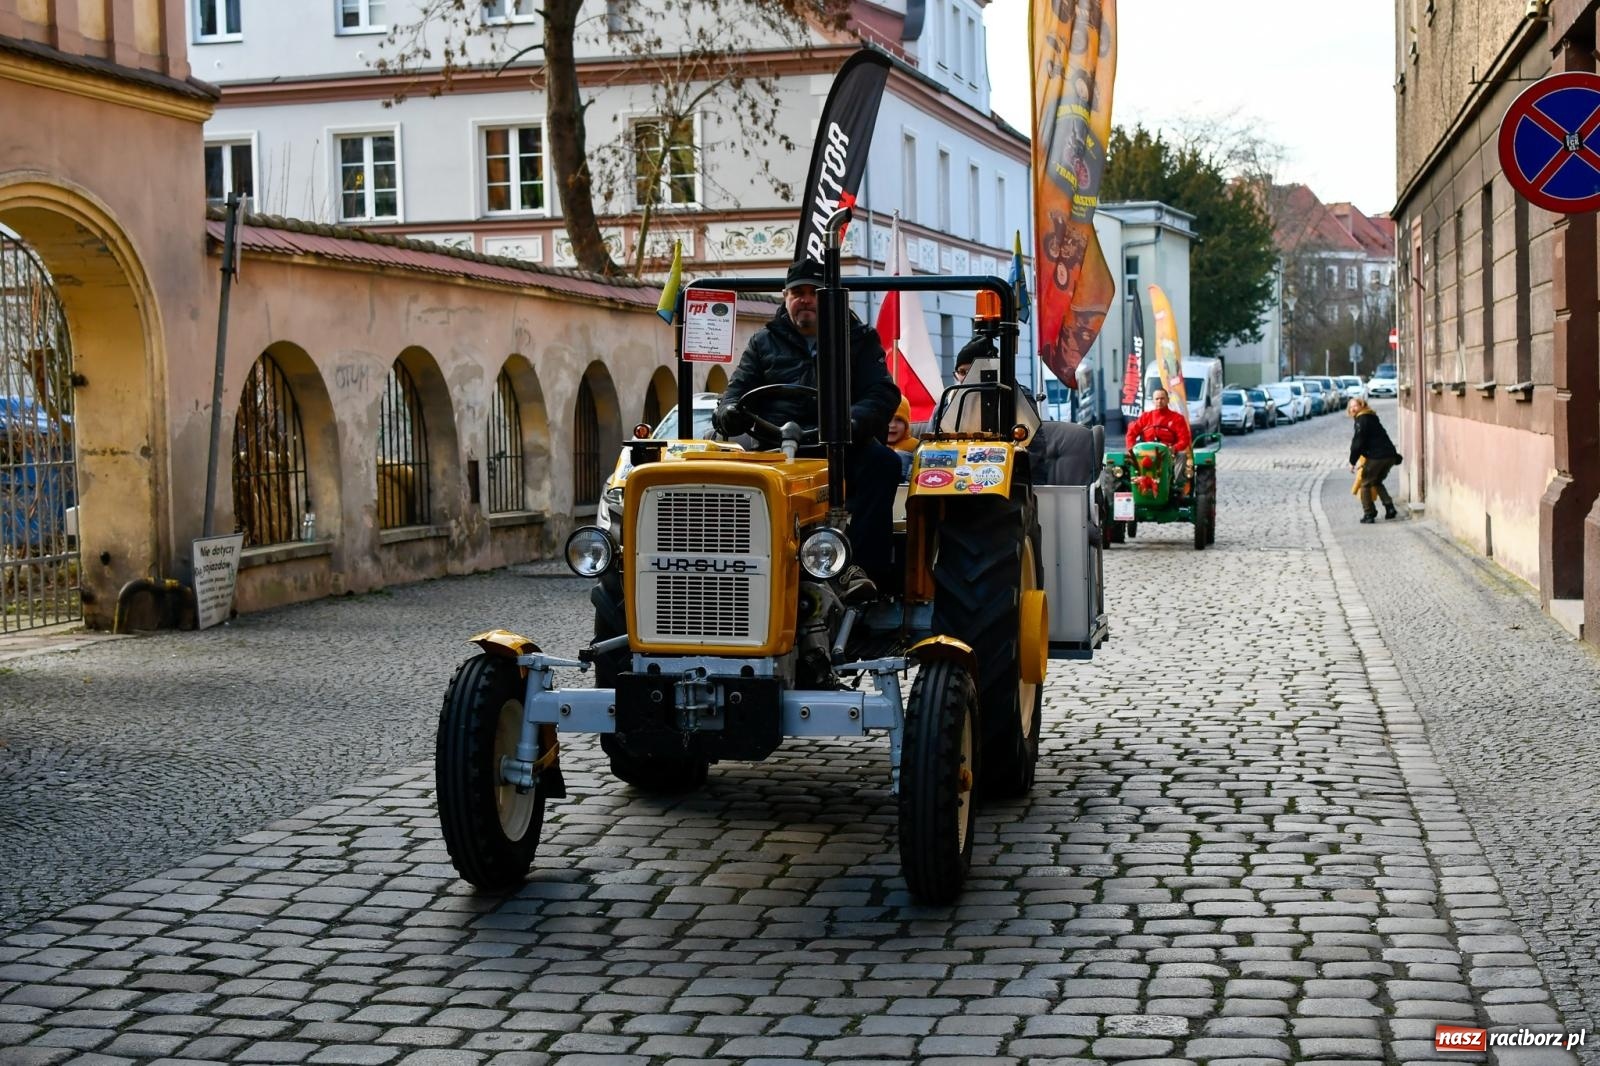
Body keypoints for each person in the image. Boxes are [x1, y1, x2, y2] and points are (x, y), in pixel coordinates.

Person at [715, 257, 902, 594]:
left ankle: (857, 569)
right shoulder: (764, 342)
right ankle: (731, 571)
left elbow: (882, 392)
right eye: (797, 292)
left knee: (882, 464)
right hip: (776, 446)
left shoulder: (858, 339)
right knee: (723, 478)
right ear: (786, 298)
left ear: (829, 297)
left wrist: (852, 420)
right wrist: (728, 411)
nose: (806, 299)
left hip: (841, 445)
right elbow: (735, 392)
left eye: (814, 292)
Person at [1348, 397, 1401, 523]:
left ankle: (1369, 514)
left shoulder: (1362, 419)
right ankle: (1390, 508)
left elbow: (1358, 442)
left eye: (1355, 406)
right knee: (1376, 481)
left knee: (1365, 483)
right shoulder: (1371, 417)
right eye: (1350, 407)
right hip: (1389, 455)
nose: (1352, 409)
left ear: (1362, 405)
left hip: (1378, 456)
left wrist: (1352, 461)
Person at [1124, 388, 1192, 454]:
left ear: (1168, 400)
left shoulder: (1177, 418)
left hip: (1168, 453)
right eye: (1157, 399)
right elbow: (1131, 433)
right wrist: (1131, 449)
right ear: (1153, 401)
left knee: (1182, 454)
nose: (1159, 401)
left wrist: (1175, 448)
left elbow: (1184, 439)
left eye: (1162, 398)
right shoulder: (1145, 417)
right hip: (1147, 452)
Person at [886, 396, 919, 480]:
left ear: (907, 424)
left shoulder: (918, 447)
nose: (892, 425)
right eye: (888, 419)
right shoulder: (869, 446)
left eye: (899, 420)